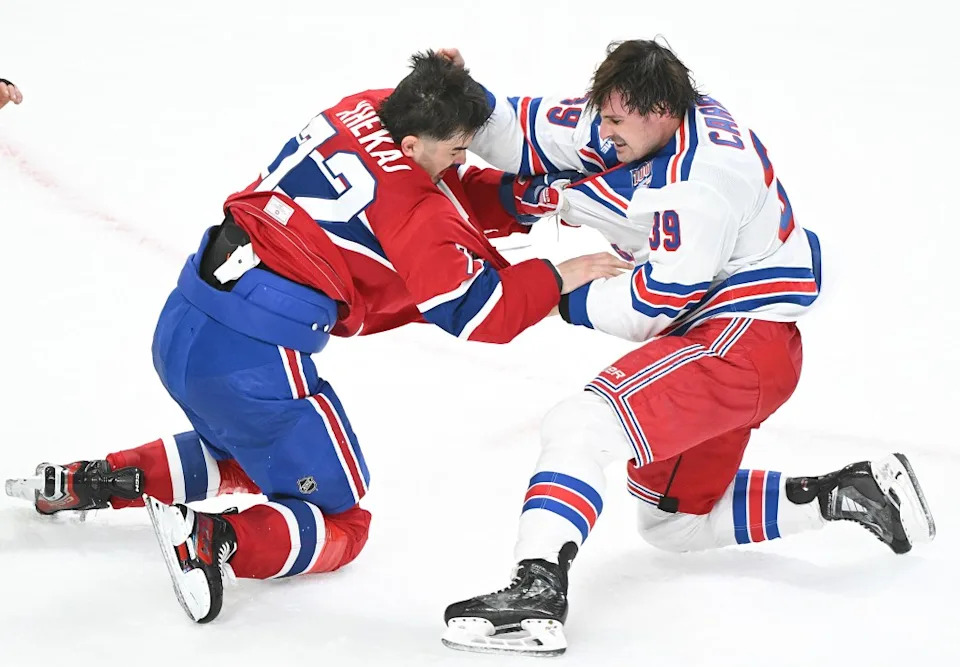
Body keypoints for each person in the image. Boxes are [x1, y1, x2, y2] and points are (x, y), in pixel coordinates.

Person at [4, 51, 630, 624]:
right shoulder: (418, 211)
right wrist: (555, 273)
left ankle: (85, 480)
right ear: (414, 144)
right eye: (456, 151)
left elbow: (434, 190)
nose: (461, 161)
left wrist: (532, 197)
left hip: (186, 323)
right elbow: (477, 312)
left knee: (248, 451)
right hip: (255, 358)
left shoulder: (364, 105)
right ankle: (213, 542)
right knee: (342, 517)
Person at [438, 41, 936, 656]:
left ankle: (536, 587)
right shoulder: (638, 119)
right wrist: (457, 92)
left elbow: (652, 309)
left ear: (659, 112)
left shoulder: (701, 183)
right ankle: (847, 492)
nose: (605, 130)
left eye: (617, 121)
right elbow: (522, 130)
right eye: (605, 116)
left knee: (581, 423)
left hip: (737, 341)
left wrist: (552, 292)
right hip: (744, 346)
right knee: (674, 524)